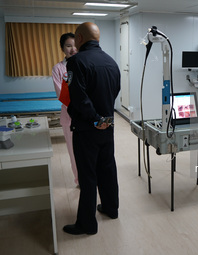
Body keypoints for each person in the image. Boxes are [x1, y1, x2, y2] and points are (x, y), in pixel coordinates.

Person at [63, 22, 121, 235]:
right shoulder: (112, 62)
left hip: (87, 129)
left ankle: (87, 224)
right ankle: (111, 208)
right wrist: (103, 119)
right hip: (108, 125)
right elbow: (115, 92)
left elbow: (79, 98)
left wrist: (95, 119)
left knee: (88, 176)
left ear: (79, 39)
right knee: (107, 169)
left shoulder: (76, 62)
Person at [52, 33, 78, 185]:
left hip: (86, 117)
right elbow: (61, 95)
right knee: (73, 152)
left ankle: (91, 178)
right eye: (68, 46)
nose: (73, 49)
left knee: (87, 151)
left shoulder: (84, 64)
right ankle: (79, 179)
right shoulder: (58, 68)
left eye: (75, 45)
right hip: (69, 118)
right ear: (62, 48)